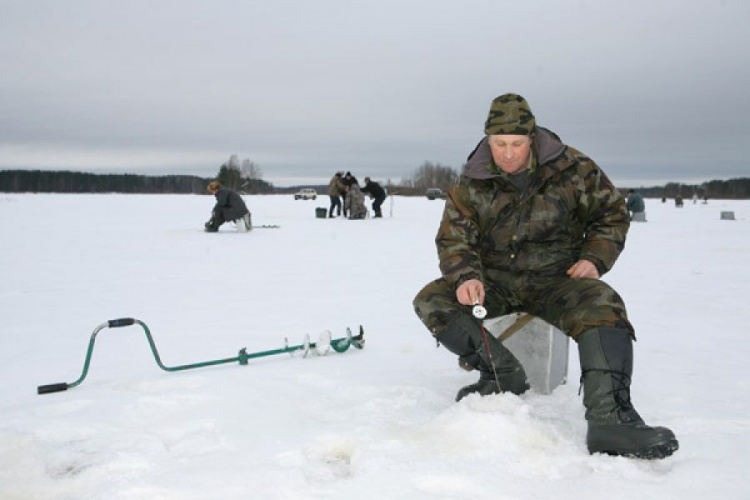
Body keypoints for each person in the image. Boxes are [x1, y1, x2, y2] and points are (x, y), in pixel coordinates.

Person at [412, 93, 678, 460]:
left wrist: (595, 258)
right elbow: (454, 239)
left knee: (603, 304)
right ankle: (501, 372)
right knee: (432, 299)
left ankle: (610, 421)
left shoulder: (572, 168)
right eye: (499, 143)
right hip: (496, 282)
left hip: (557, 280)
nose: (507, 153)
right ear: (488, 139)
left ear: (532, 137)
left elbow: (612, 214)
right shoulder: (472, 181)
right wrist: (465, 278)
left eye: (516, 144)